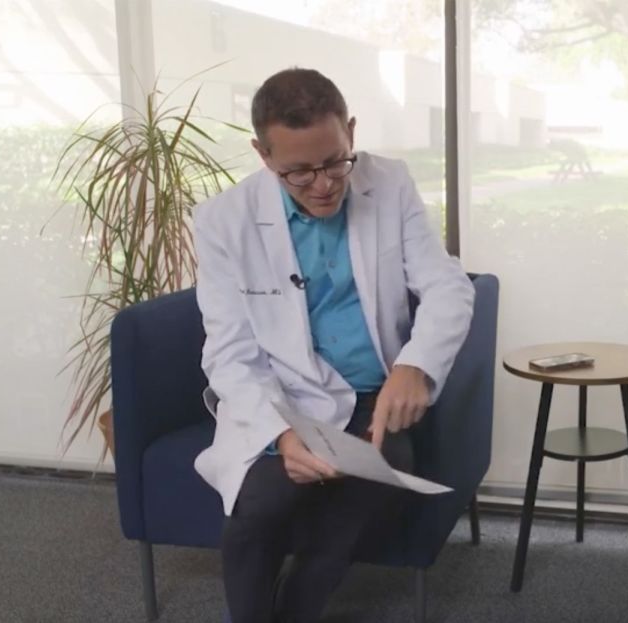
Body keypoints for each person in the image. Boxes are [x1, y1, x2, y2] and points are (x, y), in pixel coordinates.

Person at [192, 67, 474, 623]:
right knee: (258, 507)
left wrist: (415, 365)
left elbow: (446, 286)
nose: (323, 183)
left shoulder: (389, 184)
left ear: (350, 129)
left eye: (335, 161)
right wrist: (281, 436)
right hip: (283, 398)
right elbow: (228, 354)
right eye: (299, 172)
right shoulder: (224, 221)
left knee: (372, 478)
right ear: (263, 154)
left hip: (374, 398)